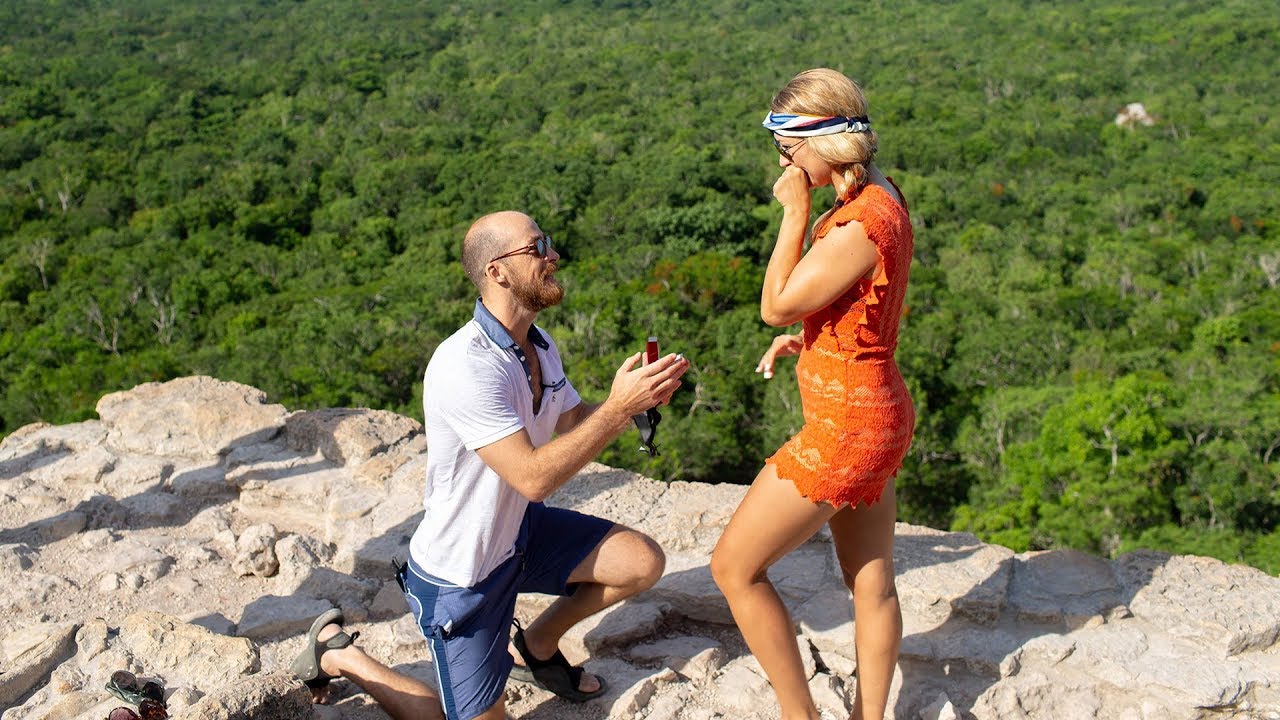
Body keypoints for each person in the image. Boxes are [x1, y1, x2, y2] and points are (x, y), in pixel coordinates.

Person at [290, 210, 690, 720]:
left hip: (518, 536)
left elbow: (571, 421)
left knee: (641, 562)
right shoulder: (466, 365)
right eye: (537, 247)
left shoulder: (538, 344)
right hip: (463, 575)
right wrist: (616, 410)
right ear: (496, 271)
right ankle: (340, 655)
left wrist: (636, 403)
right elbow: (533, 477)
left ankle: (536, 646)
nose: (553, 255)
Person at [710, 68, 915, 720]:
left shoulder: (858, 224)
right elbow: (867, 302)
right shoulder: (884, 193)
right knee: (871, 583)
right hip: (878, 409)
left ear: (823, 141)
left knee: (734, 569)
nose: (783, 164)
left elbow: (775, 304)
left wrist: (794, 213)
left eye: (787, 149)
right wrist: (814, 340)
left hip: (846, 428)